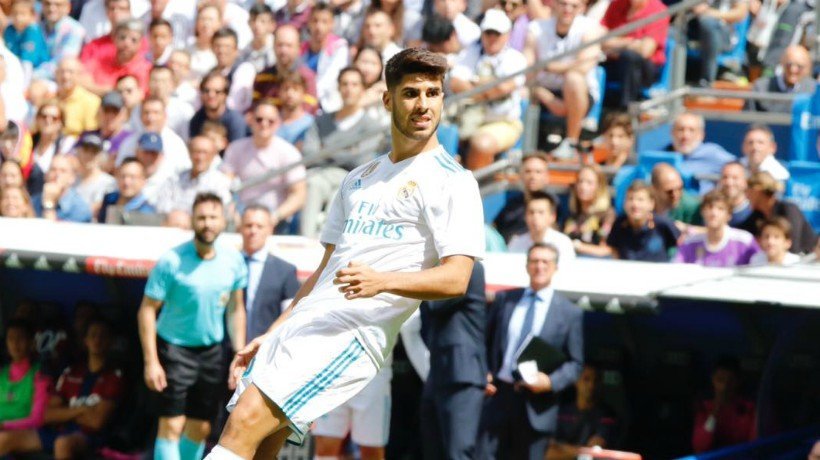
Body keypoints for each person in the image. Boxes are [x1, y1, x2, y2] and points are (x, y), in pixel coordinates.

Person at [203, 48, 484, 460]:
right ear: (388, 100)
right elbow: (323, 272)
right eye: (411, 93)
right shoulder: (359, 178)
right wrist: (277, 330)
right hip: (305, 326)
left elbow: (457, 277)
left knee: (243, 423)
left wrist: (383, 281)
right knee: (261, 447)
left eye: (433, 93)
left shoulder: (454, 182)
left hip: (352, 336)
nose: (423, 104)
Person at [139, 193, 248, 460]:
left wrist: (240, 352)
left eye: (213, 217)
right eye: (201, 217)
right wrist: (151, 361)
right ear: (192, 221)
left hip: (211, 352)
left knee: (200, 427)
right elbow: (147, 310)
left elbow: (236, 309)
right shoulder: (171, 261)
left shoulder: (233, 260)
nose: (207, 223)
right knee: (172, 424)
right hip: (173, 349)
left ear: (223, 221)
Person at [479, 242, 584, 460]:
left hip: (537, 406)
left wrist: (551, 382)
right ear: (527, 266)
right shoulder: (505, 300)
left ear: (555, 267)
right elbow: (483, 342)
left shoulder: (569, 312)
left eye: (546, 262)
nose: (539, 267)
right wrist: (484, 372)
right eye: (534, 261)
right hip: (498, 397)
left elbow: (576, 363)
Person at [300, 67, 389, 238]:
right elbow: (309, 154)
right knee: (313, 185)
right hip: (321, 174)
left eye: (354, 84)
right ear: (339, 88)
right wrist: (347, 151)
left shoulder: (371, 126)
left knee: (341, 193)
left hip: (353, 178)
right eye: (345, 84)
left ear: (362, 89)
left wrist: (325, 151)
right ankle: (306, 240)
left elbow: (361, 161)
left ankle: (327, 244)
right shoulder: (322, 121)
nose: (349, 89)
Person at [420, 263, 487, 460]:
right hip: (438, 371)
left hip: (463, 374)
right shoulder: (440, 267)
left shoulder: (470, 268)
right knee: (433, 451)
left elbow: (434, 303)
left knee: (459, 452)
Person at [449, 8, 527, 170]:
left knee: (481, 144)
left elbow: (503, 88)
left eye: (496, 34)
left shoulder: (515, 58)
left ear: (507, 35)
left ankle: (474, 189)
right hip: (465, 119)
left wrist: (474, 85)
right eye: (488, 33)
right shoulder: (470, 53)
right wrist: (489, 87)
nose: (492, 38)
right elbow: (455, 83)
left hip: (503, 122)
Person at [35, 317, 124, 459]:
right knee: (5, 438)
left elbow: (96, 422)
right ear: (86, 341)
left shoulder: (115, 376)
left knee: (62, 444)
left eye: (103, 336)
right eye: (93, 335)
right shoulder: (71, 372)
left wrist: (64, 414)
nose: (97, 339)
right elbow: (46, 414)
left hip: (91, 437)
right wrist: (82, 410)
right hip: (60, 430)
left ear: (111, 341)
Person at [525, 0, 604, 158]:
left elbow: (583, 67)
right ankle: (521, 151)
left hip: (579, 94)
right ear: (554, 4)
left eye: (573, 5)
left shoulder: (590, 28)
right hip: (541, 90)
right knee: (519, 89)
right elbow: (527, 67)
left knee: (573, 79)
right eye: (563, 3)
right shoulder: (536, 27)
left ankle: (571, 142)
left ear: (582, 8)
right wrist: (542, 93)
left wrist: (547, 66)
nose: (567, 9)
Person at [221, 101, 307, 233]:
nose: (264, 124)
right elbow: (223, 186)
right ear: (251, 121)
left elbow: (299, 194)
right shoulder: (235, 148)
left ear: (278, 123)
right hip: (241, 218)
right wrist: (234, 216)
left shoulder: (289, 152)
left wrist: (274, 217)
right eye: (259, 119)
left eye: (270, 121)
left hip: (277, 221)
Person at [239, 205, 301, 342]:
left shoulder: (286, 271)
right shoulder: (228, 265)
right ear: (240, 228)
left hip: (266, 348)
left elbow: (290, 315)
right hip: (223, 353)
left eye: (259, 226)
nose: (253, 231)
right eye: (248, 225)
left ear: (270, 229)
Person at [600, 0, 669, 108]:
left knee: (629, 57)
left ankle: (626, 110)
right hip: (612, 61)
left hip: (644, 69)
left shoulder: (658, 10)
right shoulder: (617, 4)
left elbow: (645, 51)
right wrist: (630, 42)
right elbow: (600, 39)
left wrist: (614, 43)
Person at [0, 319, 51, 457]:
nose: (15, 343)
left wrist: (5, 426)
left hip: (28, 433)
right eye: (11, 339)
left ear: (31, 342)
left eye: (20, 338)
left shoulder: (40, 374)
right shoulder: (1, 374)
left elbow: (37, 419)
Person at [549, 364, 620, 457]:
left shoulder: (607, 415)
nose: (592, 386)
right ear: (576, 382)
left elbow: (594, 451)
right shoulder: (561, 413)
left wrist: (563, 448)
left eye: (596, 381)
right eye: (586, 379)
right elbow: (549, 450)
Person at [674, 190, 759, 267]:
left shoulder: (744, 241)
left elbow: (761, 266)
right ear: (702, 212)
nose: (714, 213)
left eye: (720, 209)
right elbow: (676, 270)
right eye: (710, 208)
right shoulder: (690, 243)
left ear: (729, 215)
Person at [740, 171, 818, 254]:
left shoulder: (788, 209)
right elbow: (740, 232)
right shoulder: (757, 216)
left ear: (757, 191)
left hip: (806, 261)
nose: (746, 196)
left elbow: (793, 245)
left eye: (747, 191)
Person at [155, 135, 233, 214]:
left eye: (205, 152)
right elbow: (162, 206)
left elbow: (223, 211)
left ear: (213, 155)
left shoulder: (220, 182)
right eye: (196, 152)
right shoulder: (175, 179)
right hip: (175, 223)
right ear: (189, 153)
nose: (200, 157)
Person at [606, 180, 680, 261]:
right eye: (630, 199)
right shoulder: (619, 224)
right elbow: (613, 249)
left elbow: (683, 244)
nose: (635, 204)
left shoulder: (662, 224)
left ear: (651, 204)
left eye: (640, 200)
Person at [692, 358, 755, 453]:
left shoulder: (750, 408)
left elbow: (755, 445)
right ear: (713, 380)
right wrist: (715, 411)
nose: (725, 386)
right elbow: (700, 447)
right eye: (720, 380)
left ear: (738, 382)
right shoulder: (704, 408)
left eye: (731, 381)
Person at [252, 25, 319, 113]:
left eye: (289, 45)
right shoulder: (262, 77)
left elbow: (309, 111)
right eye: (280, 45)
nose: (283, 50)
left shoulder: (307, 78)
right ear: (273, 46)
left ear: (298, 48)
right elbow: (254, 109)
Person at [80, 19, 152, 95]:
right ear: (114, 39)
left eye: (133, 40)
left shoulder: (145, 69)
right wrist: (111, 91)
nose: (126, 43)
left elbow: (140, 95)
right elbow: (82, 81)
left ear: (141, 43)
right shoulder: (101, 60)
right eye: (122, 37)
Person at [687, 0, 749, 86]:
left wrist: (712, 13)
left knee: (708, 23)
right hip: (694, 28)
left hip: (723, 33)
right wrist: (695, 6)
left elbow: (741, 13)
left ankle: (707, 81)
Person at [494, 152, 552, 242]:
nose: (533, 176)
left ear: (547, 176)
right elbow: (496, 228)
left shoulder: (555, 204)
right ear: (521, 175)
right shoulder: (512, 204)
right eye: (528, 171)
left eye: (538, 172)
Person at [303, 3, 349, 113]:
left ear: (332, 24)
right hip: (303, 104)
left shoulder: (339, 47)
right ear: (309, 23)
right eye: (315, 21)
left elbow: (330, 79)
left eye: (324, 22)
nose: (319, 27)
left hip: (328, 107)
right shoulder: (301, 49)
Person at [665, 112, 735, 184]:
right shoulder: (663, 155)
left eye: (691, 130)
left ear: (701, 135)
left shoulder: (711, 153)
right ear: (672, 132)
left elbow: (739, 167)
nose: (685, 136)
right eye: (681, 129)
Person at [509, 191, 577, 264]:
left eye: (541, 212)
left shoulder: (563, 243)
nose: (535, 217)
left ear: (552, 216)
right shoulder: (516, 243)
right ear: (525, 216)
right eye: (531, 212)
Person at [564, 164, 616, 257]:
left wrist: (577, 246)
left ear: (599, 186)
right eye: (580, 181)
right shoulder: (573, 214)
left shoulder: (607, 215)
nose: (583, 186)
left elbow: (607, 250)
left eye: (589, 183)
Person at [747, 45, 814, 113]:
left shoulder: (813, 90)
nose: (793, 70)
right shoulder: (761, 87)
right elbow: (747, 119)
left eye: (799, 66)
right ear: (782, 63)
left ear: (807, 68)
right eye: (789, 64)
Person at [189, 71, 249, 144]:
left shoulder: (236, 122)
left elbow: (237, 151)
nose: (211, 95)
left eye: (217, 92)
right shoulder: (197, 120)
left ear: (225, 95)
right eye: (206, 91)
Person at [34, 0, 85, 82]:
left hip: (61, 81)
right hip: (35, 77)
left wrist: (33, 75)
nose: (52, 8)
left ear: (68, 7)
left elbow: (61, 64)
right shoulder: (36, 28)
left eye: (58, 5)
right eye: (47, 4)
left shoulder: (75, 30)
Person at [32, 155, 93, 222]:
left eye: (63, 171)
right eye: (53, 169)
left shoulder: (80, 209)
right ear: (46, 175)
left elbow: (54, 231)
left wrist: (49, 205)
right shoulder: (34, 201)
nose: (57, 174)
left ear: (72, 178)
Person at [31, 101, 76, 190]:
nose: (48, 120)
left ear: (61, 123)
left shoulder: (66, 143)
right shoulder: (29, 141)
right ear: (37, 119)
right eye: (44, 116)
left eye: (54, 118)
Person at [211, 27, 257, 114]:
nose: (221, 50)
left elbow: (235, 104)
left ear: (236, 50)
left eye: (227, 46)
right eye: (218, 46)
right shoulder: (211, 72)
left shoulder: (245, 69)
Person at [97, 157, 156, 223]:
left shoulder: (147, 212)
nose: (126, 182)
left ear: (143, 181)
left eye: (132, 177)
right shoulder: (109, 200)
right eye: (123, 176)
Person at [55, 58, 101, 138]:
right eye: (62, 71)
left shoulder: (91, 101)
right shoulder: (50, 99)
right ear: (56, 74)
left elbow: (90, 134)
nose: (65, 76)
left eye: (70, 72)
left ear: (79, 75)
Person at [74, 132, 116, 212]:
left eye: (94, 151)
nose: (89, 155)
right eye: (86, 150)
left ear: (101, 155)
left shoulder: (109, 183)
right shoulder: (72, 180)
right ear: (79, 151)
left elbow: (96, 210)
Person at [92, 91, 134, 172]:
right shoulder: (89, 135)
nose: (110, 116)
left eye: (115, 111)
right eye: (106, 111)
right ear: (99, 112)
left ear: (124, 114)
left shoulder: (130, 139)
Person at [651, 163, 702, 229]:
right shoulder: (644, 205)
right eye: (669, 192)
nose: (676, 194)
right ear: (655, 189)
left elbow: (709, 232)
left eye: (680, 188)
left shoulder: (692, 208)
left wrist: (687, 229)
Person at [3, 0, 49, 71]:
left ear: (32, 15)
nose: (18, 17)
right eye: (15, 13)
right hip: (15, 68)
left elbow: (27, 63)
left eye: (23, 14)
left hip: (37, 70)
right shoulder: (9, 30)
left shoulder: (33, 31)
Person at [275, 72, 315, 148]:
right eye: (286, 89)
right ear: (279, 93)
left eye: (295, 89)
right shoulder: (268, 122)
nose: (290, 94)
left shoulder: (311, 124)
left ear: (304, 93)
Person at [241, 3, 276, 73]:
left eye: (262, 21)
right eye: (253, 20)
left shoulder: (276, 48)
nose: (257, 25)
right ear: (249, 23)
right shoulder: (245, 51)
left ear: (272, 25)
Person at [718, 162, 752, 228]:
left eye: (735, 178)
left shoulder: (752, 212)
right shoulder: (712, 211)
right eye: (725, 177)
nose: (729, 183)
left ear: (745, 181)